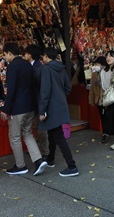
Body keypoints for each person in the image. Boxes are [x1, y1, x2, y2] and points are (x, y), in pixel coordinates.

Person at [1, 43, 47, 176]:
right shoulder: (28, 64)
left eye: (5, 54)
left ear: (9, 53)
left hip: (18, 108)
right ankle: (38, 160)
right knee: (27, 133)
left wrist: (6, 109)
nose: (5, 57)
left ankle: (20, 165)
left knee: (14, 136)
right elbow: (34, 86)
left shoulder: (13, 66)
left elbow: (12, 90)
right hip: (30, 106)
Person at [38, 47, 78, 176]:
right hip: (60, 105)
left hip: (50, 107)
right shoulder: (61, 68)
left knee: (58, 136)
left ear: (45, 56)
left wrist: (42, 110)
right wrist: (60, 96)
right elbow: (68, 87)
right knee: (53, 133)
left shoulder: (46, 68)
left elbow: (44, 91)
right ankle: (51, 159)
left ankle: (72, 166)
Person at [24, 44, 49, 159]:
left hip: (39, 101)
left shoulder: (39, 67)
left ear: (29, 54)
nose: (24, 55)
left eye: (25, 53)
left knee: (41, 128)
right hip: (33, 101)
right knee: (35, 126)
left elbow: (41, 88)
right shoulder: (32, 66)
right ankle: (38, 149)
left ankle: (44, 152)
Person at [88, 56, 111, 143]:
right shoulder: (94, 74)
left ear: (102, 65)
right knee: (103, 116)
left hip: (106, 98)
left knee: (107, 116)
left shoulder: (107, 72)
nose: (95, 66)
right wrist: (92, 99)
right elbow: (92, 87)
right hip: (98, 99)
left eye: (97, 64)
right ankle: (105, 133)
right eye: (95, 64)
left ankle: (108, 132)